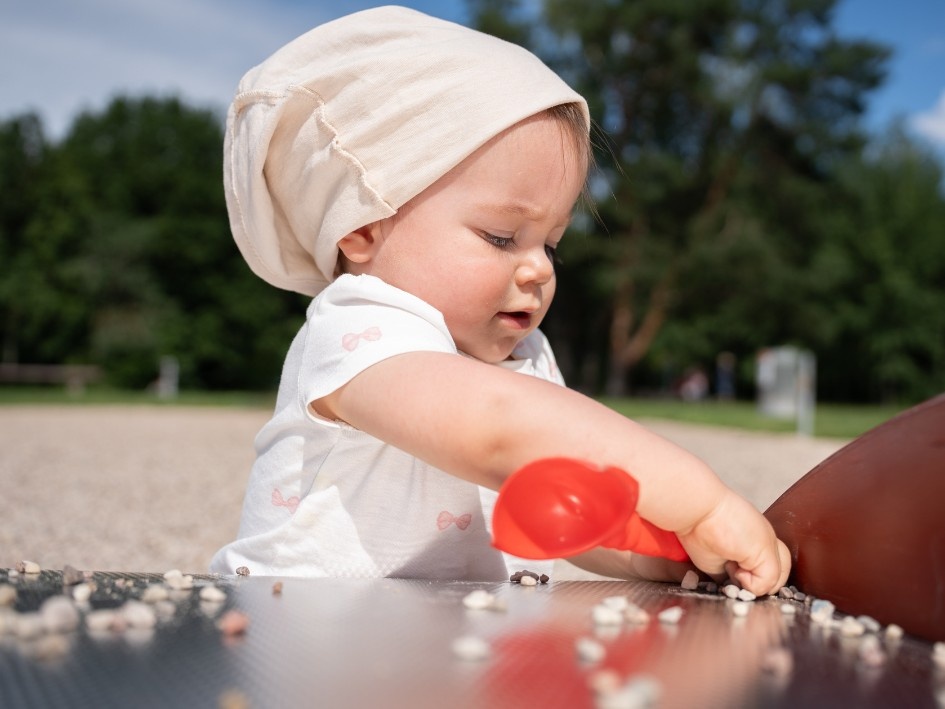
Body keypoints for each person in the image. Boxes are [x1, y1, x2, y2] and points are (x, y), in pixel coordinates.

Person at [210, 6, 790, 594]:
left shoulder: (524, 357)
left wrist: (657, 555)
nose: (539, 267)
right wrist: (699, 506)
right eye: (501, 237)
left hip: (430, 659)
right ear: (361, 231)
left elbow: (574, 513)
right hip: (299, 644)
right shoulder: (359, 330)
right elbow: (499, 429)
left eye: (553, 245)